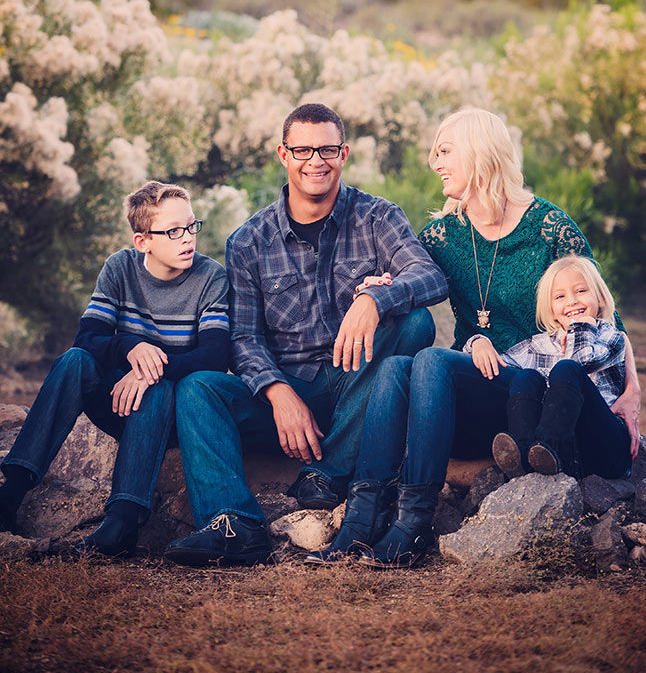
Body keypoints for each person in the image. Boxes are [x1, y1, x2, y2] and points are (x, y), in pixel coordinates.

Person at [308, 107, 640, 569]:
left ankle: (413, 523)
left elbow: (608, 314)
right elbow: (413, 273)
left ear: (480, 152)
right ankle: (360, 521)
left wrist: (633, 390)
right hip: (478, 392)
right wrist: (380, 291)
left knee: (431, 361)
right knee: (395, 368)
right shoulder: (443, 235)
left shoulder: (550, 228)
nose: (434, 162)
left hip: (536, 393)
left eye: (445, 151)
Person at [164, 103, 448, 567]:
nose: (316, 160)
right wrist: (277, 393)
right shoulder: (248, 241)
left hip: (358, 386)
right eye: (303, 150)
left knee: (415, 322)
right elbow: (244, 338)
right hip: (285, 396)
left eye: (327, 149)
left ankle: (329, 472)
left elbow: (430, 277)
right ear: (283, 154)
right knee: (198, 389)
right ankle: (234, 525)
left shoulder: (377, 217)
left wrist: (376, 300)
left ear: (344, 153)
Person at [0, 181, 229, 557]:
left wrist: (151, 366)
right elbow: (87, 337)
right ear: (143, 242)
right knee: (74, 361)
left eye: (191, 226)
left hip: (171, 413)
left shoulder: (211, 277)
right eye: (173, 231)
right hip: (119, 405)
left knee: (157, 386)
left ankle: (122, 521)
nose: (188, 238)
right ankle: (11, 493)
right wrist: (132, 346)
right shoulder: (119, 268)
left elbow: (216, 356)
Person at [483, 255, 631, 480]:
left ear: (600, 298)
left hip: (607, 448)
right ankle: (525, 455)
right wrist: (477, 342)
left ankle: (546, 447)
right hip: (570, 453)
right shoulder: (539, 345)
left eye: (581, 291)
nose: (571, 301)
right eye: (560, 296)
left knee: (566, 369)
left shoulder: (611, 336)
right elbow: (500, 366)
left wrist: (581, 327)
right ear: (551, 310)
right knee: (525, 377)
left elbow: (581, 361)